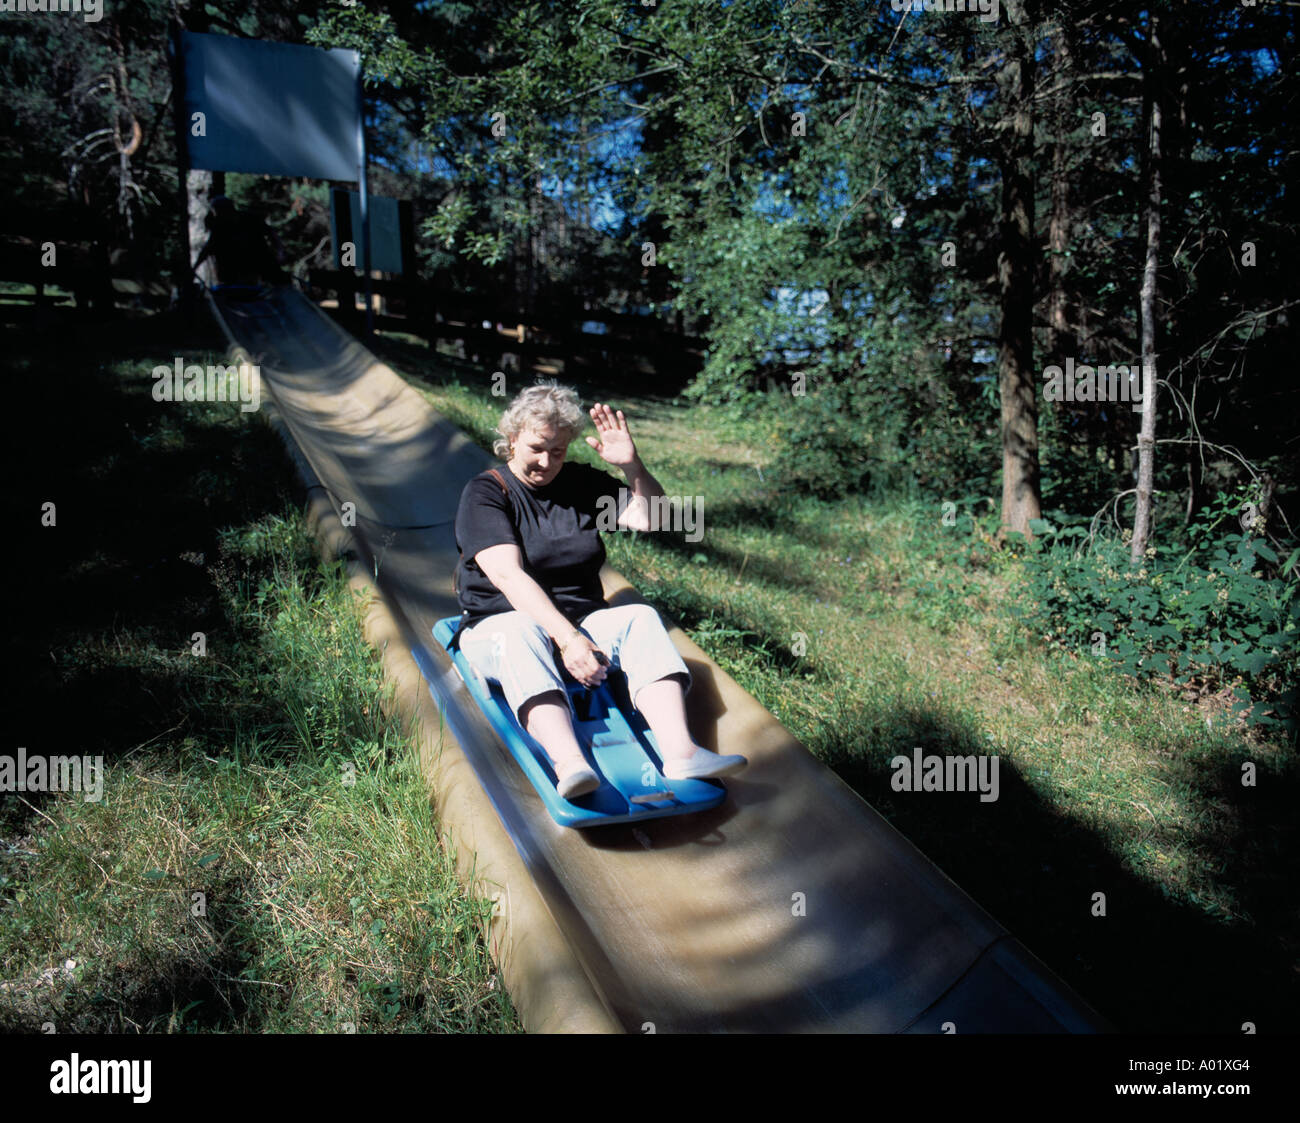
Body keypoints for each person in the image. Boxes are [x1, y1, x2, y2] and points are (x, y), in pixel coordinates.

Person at [452, 381, 747, 799]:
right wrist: (569, 640)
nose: (546, 461)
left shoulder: (579, 484)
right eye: (537, 447)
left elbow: (654, 518)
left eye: (558, 451)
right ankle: (570, 765)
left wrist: (633, 467)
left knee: (639, 617)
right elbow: (508, 576)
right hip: (500, 625)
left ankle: (681, 753)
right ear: (513, 438)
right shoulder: (486, 493)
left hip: (581, 621)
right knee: (519, 630)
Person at [193, 196, 286, 287]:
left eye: (218, 211)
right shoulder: (220, 226)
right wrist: (195, 267)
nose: (217, 214)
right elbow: (208, 248)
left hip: (257, 262)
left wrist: (279, 251)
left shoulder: (249, 219)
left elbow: (271, 233)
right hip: (233, 270)